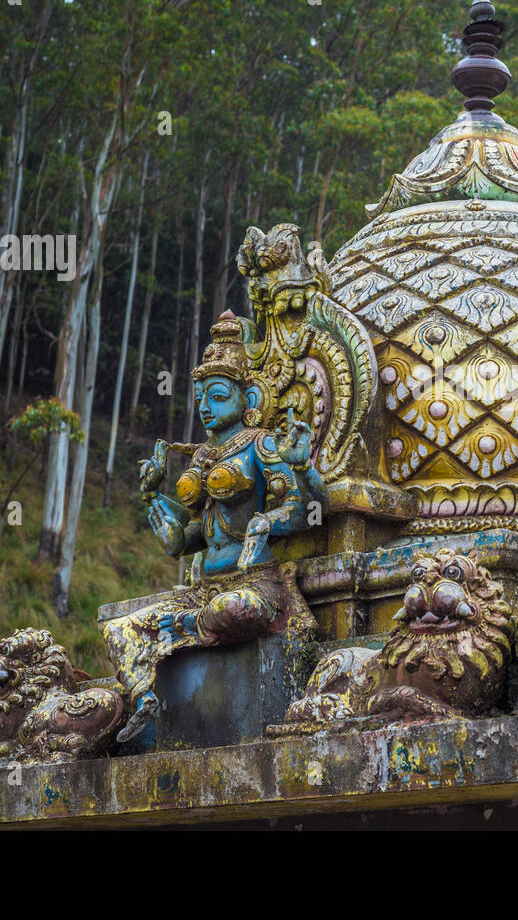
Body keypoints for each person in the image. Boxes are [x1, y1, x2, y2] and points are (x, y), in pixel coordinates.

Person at [104, 310, 322, 743]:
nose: (205, 406)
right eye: (201, 396)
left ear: (250, 398)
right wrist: (156, 505)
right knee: (119, 629)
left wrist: (299, 473)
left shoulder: (262, 447)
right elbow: (191, 538)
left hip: (254, 585)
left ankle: (175, 633)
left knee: (232, 611)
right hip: (203, 588)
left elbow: (306, 512)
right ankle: (145, 698)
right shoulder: (202, 458)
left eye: (218, 395)